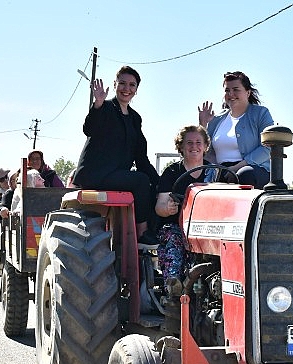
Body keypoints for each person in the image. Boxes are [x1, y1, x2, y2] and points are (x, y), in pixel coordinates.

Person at [73, 65, 160, 247]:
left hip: (117, 175)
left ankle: (155, 233)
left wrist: (161, 182)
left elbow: (141, 158)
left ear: (136, 90)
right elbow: (89, 129)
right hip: (96, 174)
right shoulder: (104, 108)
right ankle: (142, 233)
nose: (126, 89)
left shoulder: (135, 118)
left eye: (131, 85)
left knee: (153, 185)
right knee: (140, 181)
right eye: (122, 83)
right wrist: (97, 104)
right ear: (115, 84)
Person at [155, 125, 211, 295]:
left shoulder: (214, 173)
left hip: (207, 230)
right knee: (173, 238)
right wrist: (168, 209)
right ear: (181, 147)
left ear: (206, 146)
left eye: (198, 142)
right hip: (177, 227)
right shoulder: (171, 172)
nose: (194, 146)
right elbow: (160, 207)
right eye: (189, 143)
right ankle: (174, 288)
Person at [198, 71, 274, 189]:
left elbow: (268, 147)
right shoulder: (217, 119)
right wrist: (203, 124)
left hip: (253, 169)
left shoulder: (261, 114)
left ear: (248, 92)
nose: (231, 94)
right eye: (227, 90)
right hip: (221, 170)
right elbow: (205, 152)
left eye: (236, 89)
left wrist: (236, 168)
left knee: (244, 175)